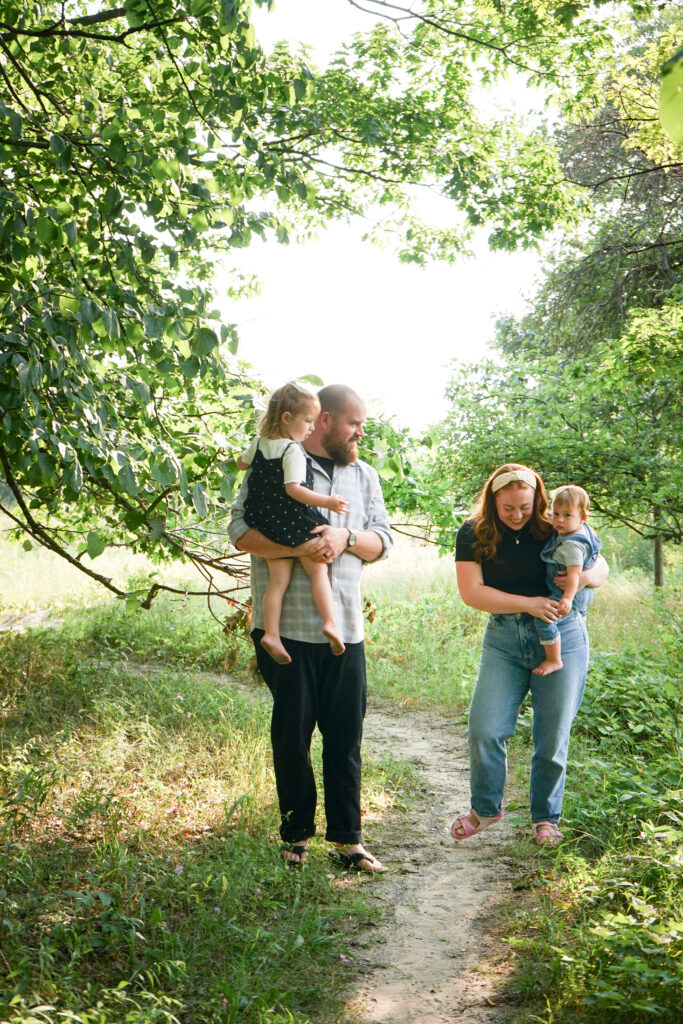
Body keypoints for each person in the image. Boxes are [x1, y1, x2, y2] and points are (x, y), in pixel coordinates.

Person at [228, 384, 392, 869]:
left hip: (346, 630)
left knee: (345, 738)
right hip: (286, 630)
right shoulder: (275, 463)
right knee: (291, 737)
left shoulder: (365, 477)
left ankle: (348, 840)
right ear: (324, 422)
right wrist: (296, 549)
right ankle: (295, 836)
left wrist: (347, 536)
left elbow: (382, 540)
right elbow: (239, 531)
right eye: (353, 423)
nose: (360, 431)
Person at [452, 464, 608, 847]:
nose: (518, 515)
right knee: (485, 729)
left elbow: (600, 563)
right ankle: (486, 809)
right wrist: (531, 603)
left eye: (525, 506)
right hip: (505, 639)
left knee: (551, 735)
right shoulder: (473, 532)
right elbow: (472, 593)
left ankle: (545, 819)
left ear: (537, 499)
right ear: (493, 502)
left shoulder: (552, 524)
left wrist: (581, 579)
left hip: (563, 636)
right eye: (508, 508)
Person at [236, 382, 348, 665]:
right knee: (318, 569)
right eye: (308, 421)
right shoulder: (292, 450)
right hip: (293, 522)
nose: (311, 428)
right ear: (287, 418)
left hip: (266, 524)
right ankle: (330, 622)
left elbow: (241, 464)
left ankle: (271, 634)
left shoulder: (259, 442)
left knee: (277, 581)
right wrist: (328, 502)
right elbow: (294, 490)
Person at [532, 485, 602, 677]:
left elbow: (574, 575)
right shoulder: (581, 530)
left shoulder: (571, 545)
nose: (559, 520)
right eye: (555, 514)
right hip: (581, 594)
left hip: (566, 590)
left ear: (583, 518)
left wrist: (567, 599)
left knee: (543, 619)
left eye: (567, 515)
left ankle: (554, 659)